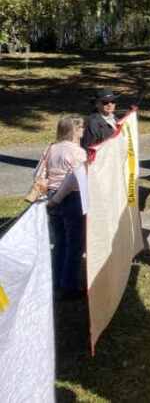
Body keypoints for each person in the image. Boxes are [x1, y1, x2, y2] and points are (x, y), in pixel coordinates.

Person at [38, 116, 88, 299]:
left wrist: (50, 198)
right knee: (74, 244)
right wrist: (57, 198)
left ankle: (57, 281)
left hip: (51, 195)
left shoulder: (51, 148)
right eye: (81, 127)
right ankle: (69, 287)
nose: (83, 130)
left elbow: (40, 173)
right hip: (70, 198)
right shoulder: (78, 152)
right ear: (73, 130)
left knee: (59, 242)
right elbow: (74, 178)